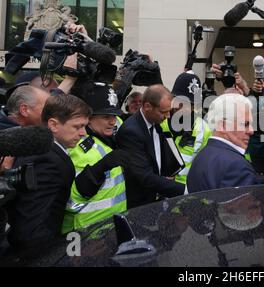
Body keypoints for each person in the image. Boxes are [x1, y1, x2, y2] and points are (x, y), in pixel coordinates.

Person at [6, 94, 91, 255]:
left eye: (85, 126)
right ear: (53, 124)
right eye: (77, 126)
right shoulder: (47, 160)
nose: (84, 133)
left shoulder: (45, 150)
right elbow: (32, 226)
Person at [63, 84, 128, 233]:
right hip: (86, 234)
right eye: (106, 117)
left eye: (114, 116)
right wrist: (96, 171)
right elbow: (70, 202)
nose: (113, 121)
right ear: (89, 119)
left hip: (108, 228)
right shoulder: (79, 147)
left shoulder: (105, 140)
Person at [116, 84, 185, 208]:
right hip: (138, 205)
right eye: (163, 112)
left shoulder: (155, 123)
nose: (168, 116)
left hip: (156, 199)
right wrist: (185, 190)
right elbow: (144, 176)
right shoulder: (131, 132)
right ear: (147, 106)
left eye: (169, 111)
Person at [187, 93, 259, 193]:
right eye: (245, 124)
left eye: (251, 124)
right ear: (224, 126)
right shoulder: (237, 166)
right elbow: (241, 208)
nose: (251, 131)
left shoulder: (202, 155)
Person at [161, 72, 212, 186]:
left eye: (190, 104)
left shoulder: (204, 130)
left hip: (185, 193)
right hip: (157, 189)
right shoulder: (159, 121)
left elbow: (205, 168)